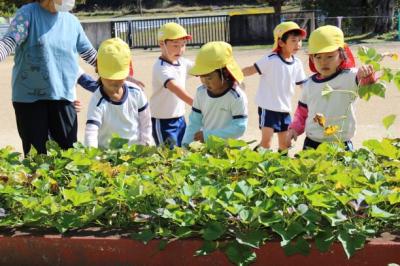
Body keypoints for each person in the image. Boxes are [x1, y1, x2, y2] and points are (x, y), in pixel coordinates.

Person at [0, 0, 97, 155]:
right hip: (29, 99)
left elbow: (90, 54)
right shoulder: (27, 14)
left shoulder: (72, 22)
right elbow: (10, 41)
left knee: (68, 153)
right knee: (37, 156)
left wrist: (118, 74)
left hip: (63, 97)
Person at [286, 25, 375, 150]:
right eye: (318, 57)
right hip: (312, 143)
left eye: (330, 56)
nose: (323, 62)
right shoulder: (309, 84)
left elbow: (366, 87)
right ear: (311, 58)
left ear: (341, 56)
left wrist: (367, 75)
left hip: (340, 143)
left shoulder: (351, 76)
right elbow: (302, 112)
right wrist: (294, 128)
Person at [242, 21, 307, 152]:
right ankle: (252, 161)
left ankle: (282, 169)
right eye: (293, 40)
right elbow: (251, 70)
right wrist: (234, 75)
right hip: (269, 108)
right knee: (266, 143)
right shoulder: (271, 59)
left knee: (284, 145)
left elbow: (304, 85)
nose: (298, 44)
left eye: (300, 41)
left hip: (285, 109)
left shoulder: (297, 63)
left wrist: (316, 92)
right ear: (281, 43)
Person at [84, 38, 152, 148]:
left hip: (134, 153)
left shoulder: (136, 92)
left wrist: (144, 145)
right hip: (106, 156)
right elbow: (91, 132)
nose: (113, 81)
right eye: (109, 76)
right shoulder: (97, 100)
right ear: (97, 70)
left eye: (118, 77)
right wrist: (93, 159)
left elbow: (146, 123)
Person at [182, 41, 248, 145]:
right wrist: (185, 145)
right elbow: (194, 122)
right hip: (208, 146)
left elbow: (239, 127)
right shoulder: (201, 92)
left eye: (209, 77)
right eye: (201, 76)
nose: (204, 81)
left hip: (230, 149)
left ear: (225, 72)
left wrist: (208, 136)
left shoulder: (236, 96)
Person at [150, 22, 194, 148]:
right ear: (161, 44)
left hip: (180, 118)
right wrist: (196, 104)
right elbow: (175, 89)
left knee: (183, 151)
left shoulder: (182, 62)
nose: (180, 50)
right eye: (175, 45)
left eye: (183, 45)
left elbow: (201, 69)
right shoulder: (160, 67)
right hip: (163, 121)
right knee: (168, 157)